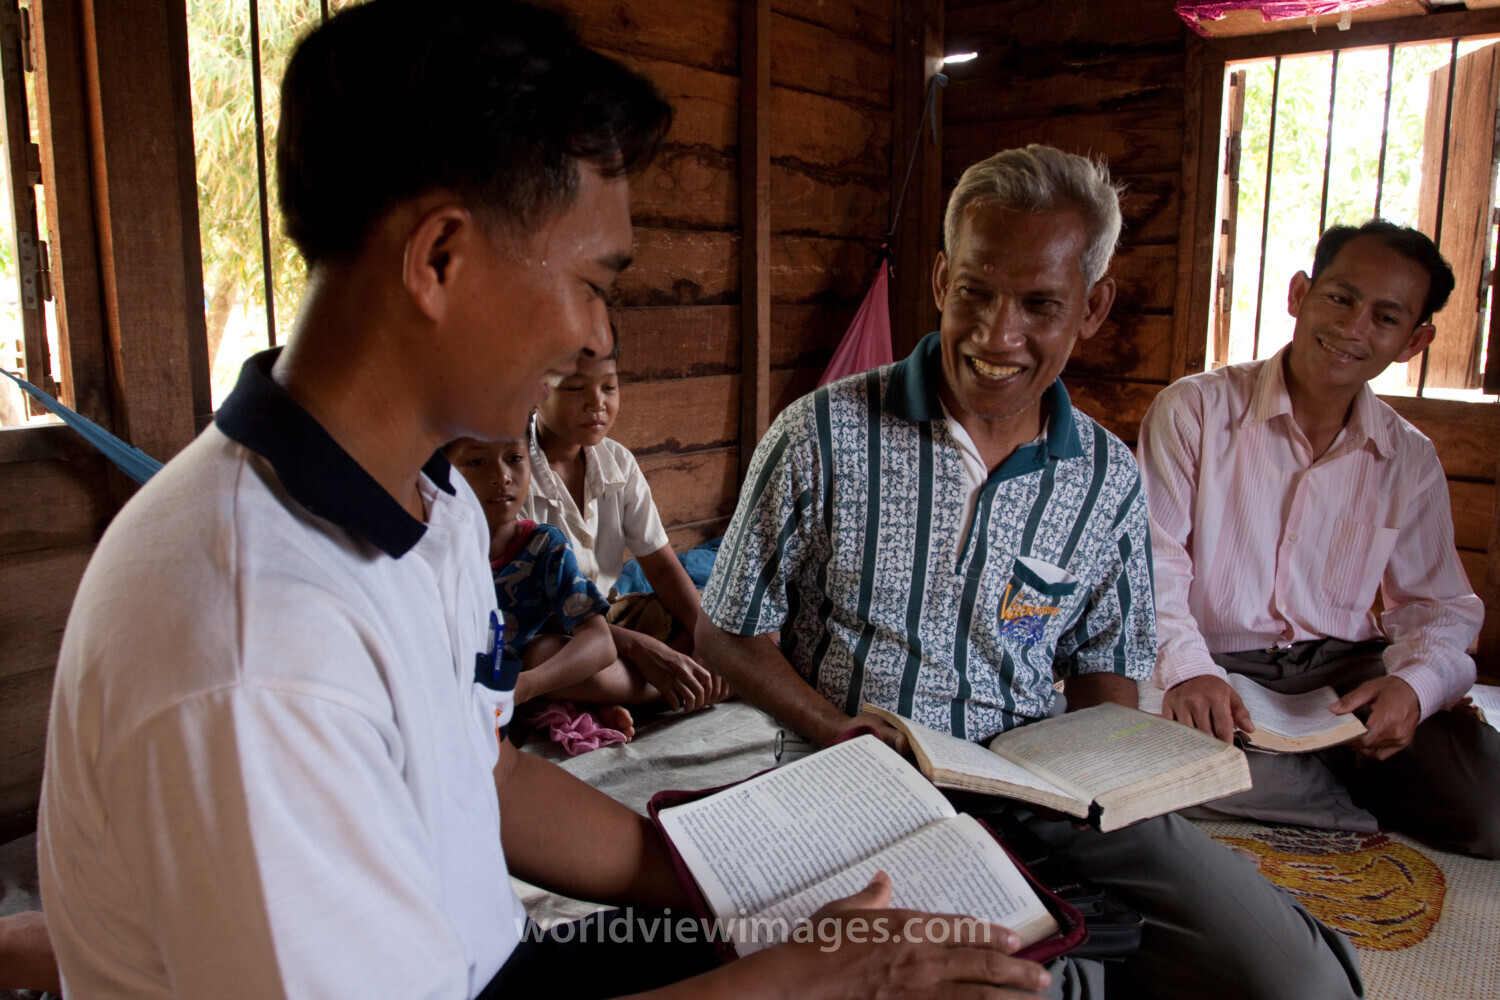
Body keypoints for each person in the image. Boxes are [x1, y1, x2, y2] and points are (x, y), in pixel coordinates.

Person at [37, 3, 1061, 997]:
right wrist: (807, 981)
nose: (597, 341)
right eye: (594, 282)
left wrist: (749, 897)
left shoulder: (429, 506)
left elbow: (486, 777)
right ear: (440, 259)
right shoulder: (255, 647)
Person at [697, 144, 1364, 1000]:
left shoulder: (1107, 477)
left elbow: (1104, 671)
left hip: (1041, 794)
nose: (995, 335)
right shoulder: (821, 434)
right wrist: (833, 731)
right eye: (975, 291)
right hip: (854, 787)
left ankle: (1071, 942)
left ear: (1094, 307)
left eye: (1040, 304)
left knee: (1296, 982)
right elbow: (726, 628)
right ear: (941, 279)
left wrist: (1104, 772)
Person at [1139, 219, 1500, 857]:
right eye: (1340, 297)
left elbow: (1440, 609)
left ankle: (1296, 774)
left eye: (1385, 317)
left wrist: (1413, 688)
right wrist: (1190, 674)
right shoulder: (1193, 410)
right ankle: (1328, 788)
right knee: (1114, 747)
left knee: (1489, 810)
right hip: (1218, 663)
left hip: (1343, 675)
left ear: (1415, 340)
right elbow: (1153, 566)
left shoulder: (1407, 457)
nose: (1353, 328)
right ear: (1300, 293)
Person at [525, 323, 729, 714]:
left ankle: (662, 683)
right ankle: (676, 690)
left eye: (609, 387)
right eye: (575, 388)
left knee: (727, 618)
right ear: (534, 391)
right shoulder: (512, 474)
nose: (597, 403)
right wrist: (640, 648)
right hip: (557, 629)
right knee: (540, 658)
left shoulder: (617, 462)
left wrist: (708, 640)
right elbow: (539, 614)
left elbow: (663, 568)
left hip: (611, 615)